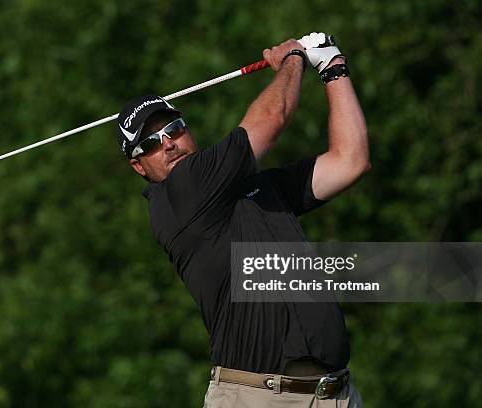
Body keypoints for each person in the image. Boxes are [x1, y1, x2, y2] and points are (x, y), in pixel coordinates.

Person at [115, 32, 369, 407]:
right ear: (138, 166)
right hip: (255, 398)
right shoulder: (182, 190)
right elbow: (272, 117)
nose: (168, 143)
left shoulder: (255, 188)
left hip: (335, 395)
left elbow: (351, 160)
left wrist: (333, 67)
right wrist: (293, 59)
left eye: (174, 129)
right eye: (150, 143)